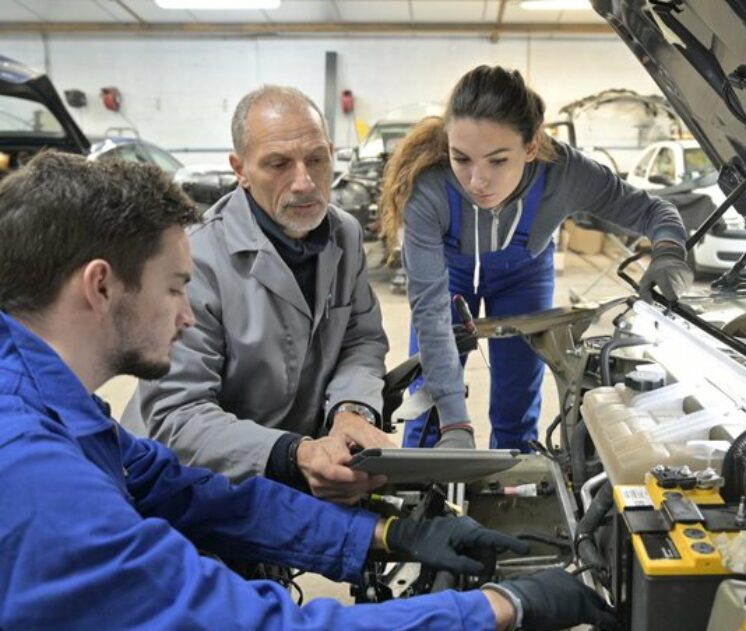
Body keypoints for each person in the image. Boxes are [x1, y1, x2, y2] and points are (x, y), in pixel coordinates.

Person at [0, 151, 618, 630]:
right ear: (100, 287)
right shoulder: (34, 474)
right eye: (174, 287)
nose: (188, 314)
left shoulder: (54, 406)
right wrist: (498, 607)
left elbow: (193, 495)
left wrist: (386, 536)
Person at [380, 65, 692, 451]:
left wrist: (668, 252)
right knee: (431, 400)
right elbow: (430, 312)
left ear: (530, 146)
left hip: (523, 276)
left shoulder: (566, 174)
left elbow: (655, 212)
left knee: (518, 400)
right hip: (449, 273)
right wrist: (455, 422)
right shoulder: (428, 188)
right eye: (461, 159)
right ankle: (425, 484)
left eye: (497, 161)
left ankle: (514, 485)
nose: (478, 180)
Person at [122, 86, 393, 504]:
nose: (304, 182)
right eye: (278, 164)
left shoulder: (346, 235)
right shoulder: (195, 261)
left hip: (291, 460)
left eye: (317, 159)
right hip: (184, 483)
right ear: (240, 169)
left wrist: (351, 411)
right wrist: (293, 453)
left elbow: (362, 339)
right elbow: (177, 414)